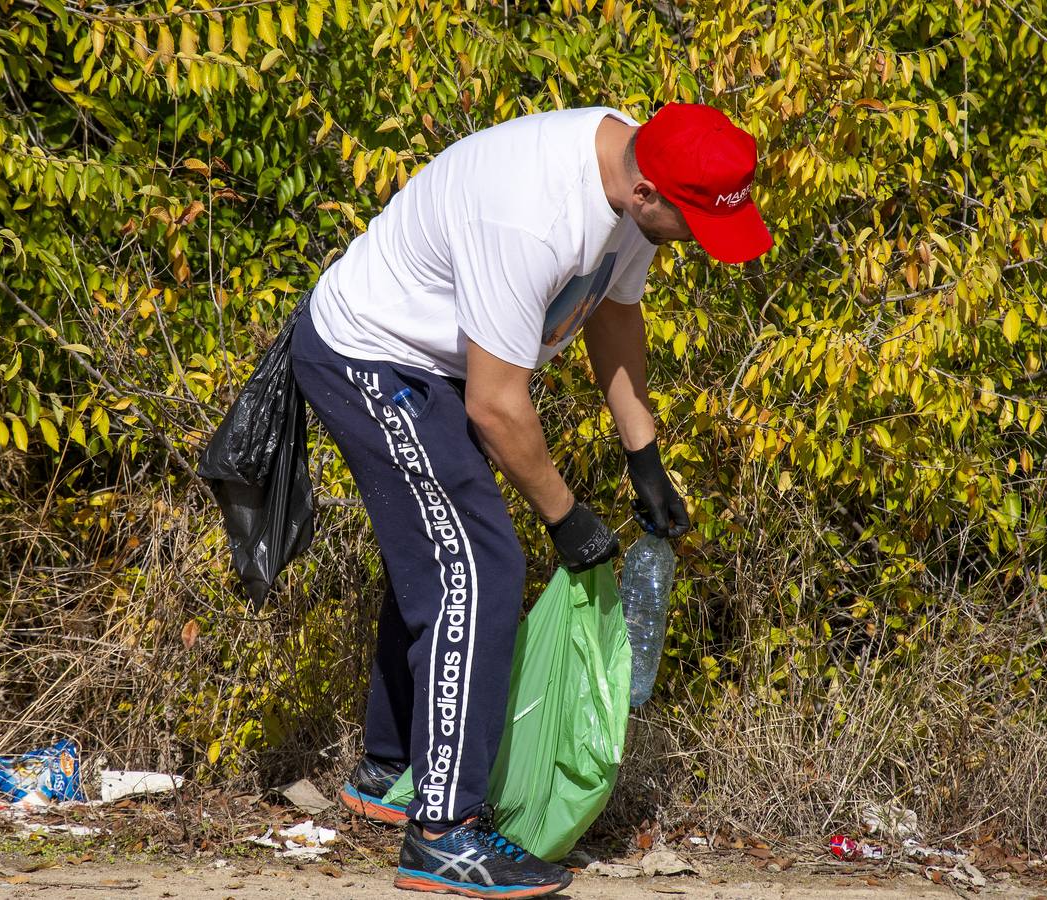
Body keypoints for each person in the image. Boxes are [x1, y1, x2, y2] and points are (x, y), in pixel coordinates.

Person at [290, 101, 771, 897]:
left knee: (445, 545)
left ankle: (388, 770)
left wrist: (642, 452)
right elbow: (497, 405)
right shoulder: (535, 216)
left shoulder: (629, 182)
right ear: (647, 190)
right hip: (371, 356)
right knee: (477, 568)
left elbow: (613, 313)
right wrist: (567, 517)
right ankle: (443, 834)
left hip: (440, 366)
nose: (694, 242)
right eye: (690, 222)